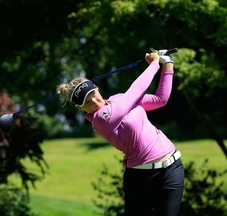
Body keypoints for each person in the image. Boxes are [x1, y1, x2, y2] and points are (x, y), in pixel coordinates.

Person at [56, 50, 184, 216]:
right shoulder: (100, 120)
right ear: (80, 109)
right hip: (142, 178)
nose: (94, 102)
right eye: (87, 103)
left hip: (173, 166)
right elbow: (136, 90)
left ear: (97, 89)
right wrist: (154, 64)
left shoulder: (118, 98)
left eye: (93, 95)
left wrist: (167, 63)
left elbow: (161, 99)